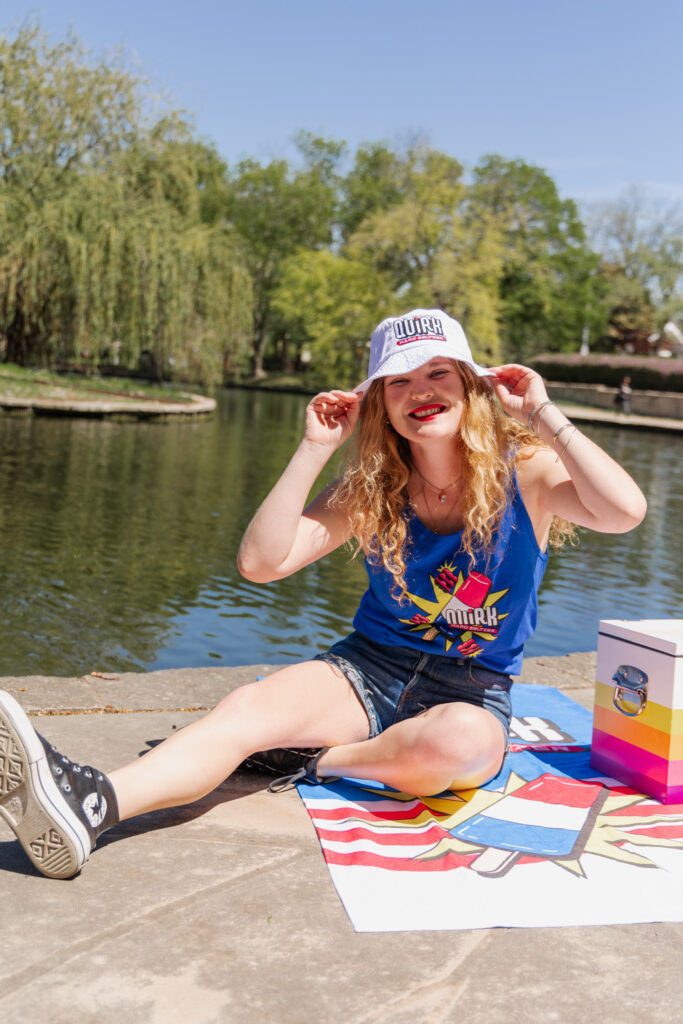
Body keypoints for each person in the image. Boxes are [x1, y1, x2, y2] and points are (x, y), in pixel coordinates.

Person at [0, 308, 647, 880]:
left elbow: (624, 512)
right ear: (380, 403)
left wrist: (539, 410)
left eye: (438, 374)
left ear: (471, 388)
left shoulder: (524, 469)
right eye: (399, 380)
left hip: (473, 687)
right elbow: (261, 563)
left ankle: (320, 761)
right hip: (368, 667)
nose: (420, 390)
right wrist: (313, 448)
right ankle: (91, 802)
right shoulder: (371, 488)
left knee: (449, 746)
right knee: (242, 713)